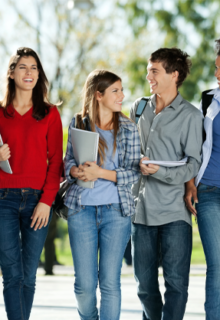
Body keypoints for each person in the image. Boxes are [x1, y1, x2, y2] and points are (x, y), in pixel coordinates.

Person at [130, 48, 203, 320]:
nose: (148, 75)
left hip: (174, 212)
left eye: (154, 71)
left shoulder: (190, 116)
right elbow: (129, 149)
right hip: (141, 210)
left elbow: (193, 164)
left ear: (174, 75)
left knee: (176, 285)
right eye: (149, 70)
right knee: (145, 288)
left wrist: (158, 171)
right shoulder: (138, 108)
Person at [64, 69, 140, 320]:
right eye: (115, 91)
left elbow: (134, 172)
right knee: (84, 286)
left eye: (121, 90)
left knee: (109, 283)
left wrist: (100, 173)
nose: (122, 95)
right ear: (98, 95)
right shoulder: (77, 123)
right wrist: (75, 170)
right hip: (81, 210)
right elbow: (67, 164)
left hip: (116, 212)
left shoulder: (129, 128)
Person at [0, 47, 63, 320]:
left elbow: (56, 163)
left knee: (28, 275)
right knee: (12, 274)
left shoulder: (49, 113)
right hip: (3, 200)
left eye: (34, 67)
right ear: (11, 73)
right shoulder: (0, 112)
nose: (29, 72)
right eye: (23, 67)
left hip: (38, 200)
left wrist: (46, 202)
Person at [185, 38, 220, 320]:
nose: (217, 75)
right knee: (217, 265)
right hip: (208, 188)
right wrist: (190, 182)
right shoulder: (210, 98)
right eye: (217, 68)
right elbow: (198, 145)